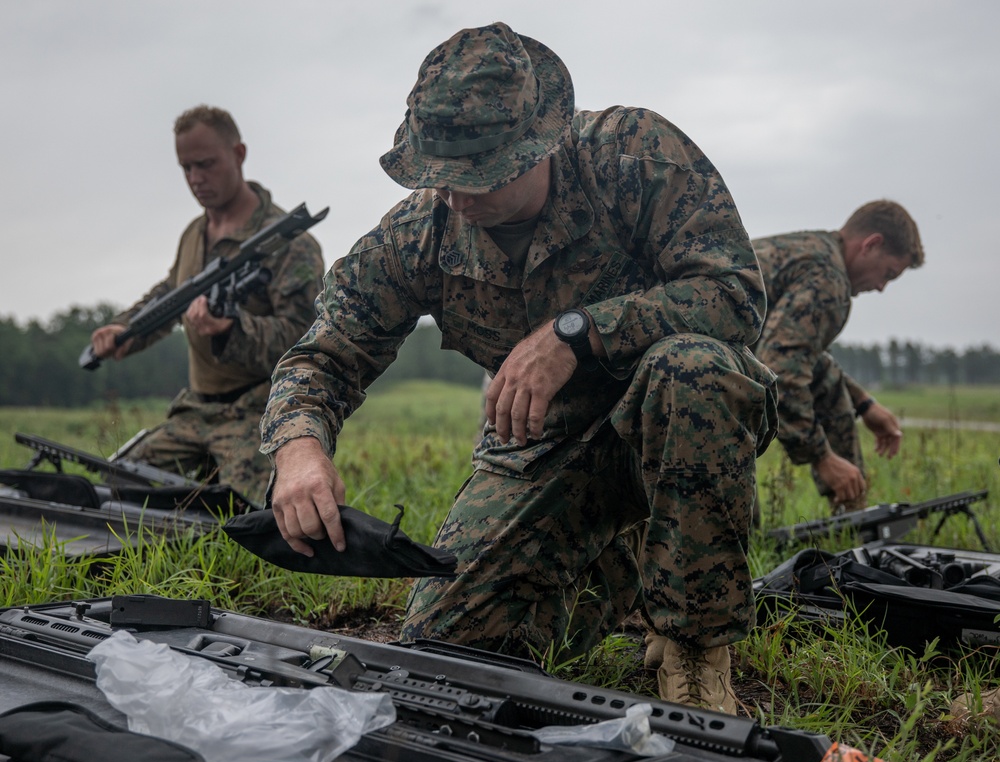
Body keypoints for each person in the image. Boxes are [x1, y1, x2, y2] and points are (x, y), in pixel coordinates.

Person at [259, 23, 777, 715]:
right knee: (447, 651)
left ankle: (694, 643)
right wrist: (298, 450)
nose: (453, 196)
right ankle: (625, 567)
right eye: (437, 175)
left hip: (679, 421)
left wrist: (579, 333)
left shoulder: (634, 156)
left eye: (478, 174)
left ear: (543, 143)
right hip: (542, 446)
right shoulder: (418, 235)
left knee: (693, 370)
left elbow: (736, 297)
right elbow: (323, 354)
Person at [88, 105, 325, 508]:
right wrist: (125, 329)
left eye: (207, 164)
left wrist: (232, 329)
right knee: (116, 490)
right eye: (186, 168)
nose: (196, 179)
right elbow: (170, 293)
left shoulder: (289, 243)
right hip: (195, 410)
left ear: (239, 153)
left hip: (260, 410)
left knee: (251, 516)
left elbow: (306, 344)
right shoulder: (194, 234)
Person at [751, 201, 924, 514]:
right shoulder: (828, 280)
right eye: (888, 274)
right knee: (736, 543)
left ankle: (851, 517)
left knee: (826, 378)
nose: (882, 287)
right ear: (872, 244)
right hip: (693, 378)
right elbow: (780, 371)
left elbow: (807, 360)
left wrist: (864, 403)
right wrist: (822, 458)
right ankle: (851, 517)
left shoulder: (812, 248)